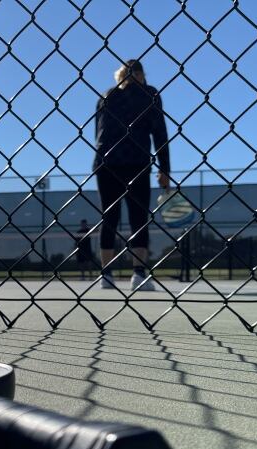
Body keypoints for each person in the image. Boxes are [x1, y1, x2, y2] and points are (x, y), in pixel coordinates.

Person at [93, 59, 170, 291]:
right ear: (140, 75)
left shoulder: (105, 96)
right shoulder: (149, 94)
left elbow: (98, 133)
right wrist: (165, 168)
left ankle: (106, 275)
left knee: (109, 217)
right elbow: (160, 133)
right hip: (136, 161)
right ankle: (138, 273)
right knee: (138, 218)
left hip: (106, 162)